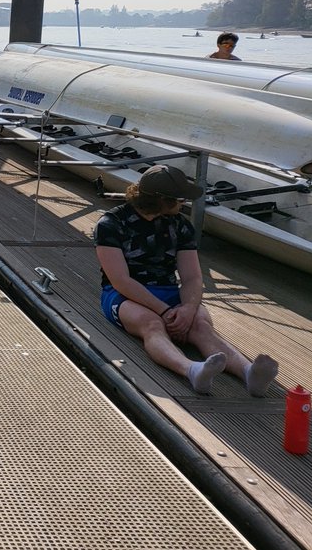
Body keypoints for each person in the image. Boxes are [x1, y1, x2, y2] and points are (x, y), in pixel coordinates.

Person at [94, 164, 278, 395]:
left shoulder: (180, 225)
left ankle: (249, 372)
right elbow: (120, 280)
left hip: (169, 290)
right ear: (162, 200)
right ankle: (191, 370)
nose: (184, 204)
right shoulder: (111, 224)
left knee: (201, 325)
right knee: (152, 325)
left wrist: (188, 309)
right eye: (180, 198)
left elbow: (191, 276)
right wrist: (164, 311)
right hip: (123, 295)